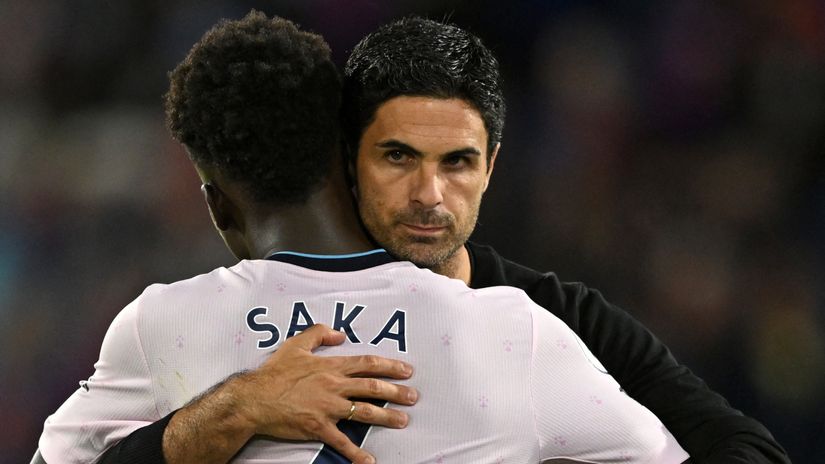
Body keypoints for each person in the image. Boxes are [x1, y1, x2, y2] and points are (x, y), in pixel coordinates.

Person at [34, 11, 690, 464]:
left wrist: (228, 411)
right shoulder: (511, 331)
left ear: (217, 206)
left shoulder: (162, 326)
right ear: (352, 161)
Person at [340, 16, 789, 464]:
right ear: (350, 159)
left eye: (457, 162)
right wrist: (263, 402)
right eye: (398, 156)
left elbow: (751, 449)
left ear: (490, 167)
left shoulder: (560, 318)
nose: (429, 194)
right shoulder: (278, 303)